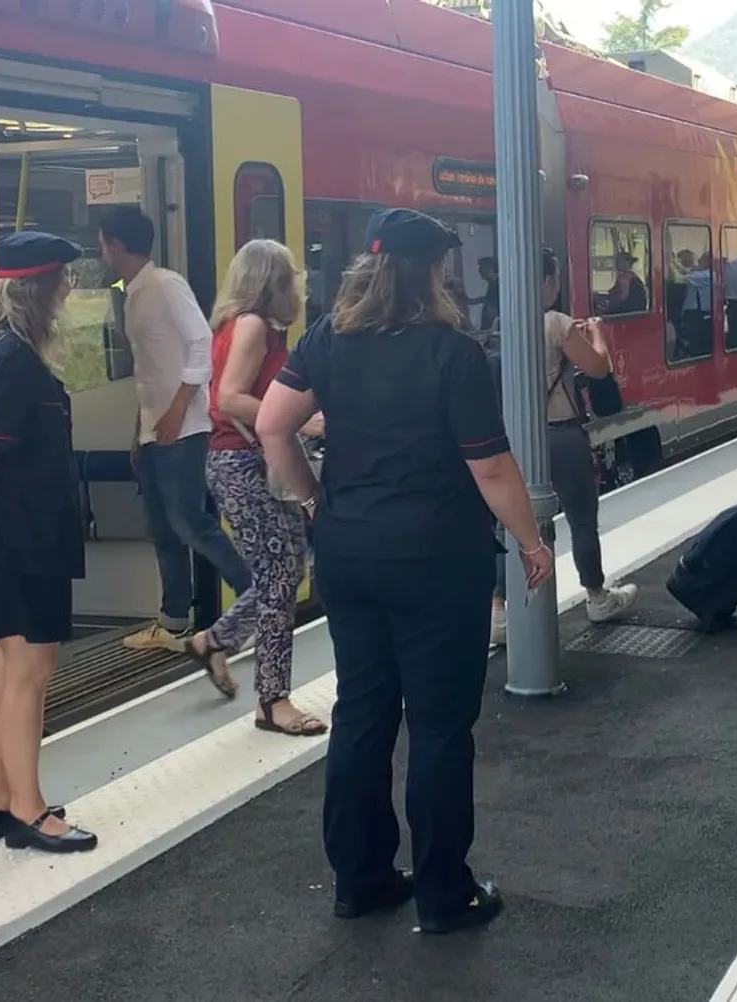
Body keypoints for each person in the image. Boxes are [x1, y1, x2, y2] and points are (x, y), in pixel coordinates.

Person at [256, 208, 553, 933]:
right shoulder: (452, 353)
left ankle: (359, 881)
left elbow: (271, 424)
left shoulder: (327, 339)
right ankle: (446, 894)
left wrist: (313, 499)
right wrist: (531, 541)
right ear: (432, 272)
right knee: (440, 725)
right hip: (436, 558)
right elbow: (487, 463)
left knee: (362, 713)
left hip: (350, 553)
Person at [0, 231, 97, 853]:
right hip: (21, 540)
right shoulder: (15, 361)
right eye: (64, 282)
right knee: (29, 670)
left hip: (0, 539)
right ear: (42, 288)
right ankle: (30, 811)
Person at [179, 239, 326, 732]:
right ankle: (272, 700)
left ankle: (215, 640)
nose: (298, 285)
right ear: (273, 282)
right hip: (244, 463)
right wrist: (298, 422)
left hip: (242, 459)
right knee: (281, 578)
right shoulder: (253, 326)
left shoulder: (234, 324)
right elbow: (230, 398)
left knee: (284, 568)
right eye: (291, 277)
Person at [98, 206, 253, 656]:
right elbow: (149, 372)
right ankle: (174, 618)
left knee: (190, 523)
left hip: (183, 430)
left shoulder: (166, 286)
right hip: (154, 431)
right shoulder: (134, 292)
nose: (103, 251)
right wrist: (139, 432)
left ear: (116, 244)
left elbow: (200, 342)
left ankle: (255, 604)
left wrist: (177, 408)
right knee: (163, 528)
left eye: (105, 242)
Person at [490, 247, 639, 647]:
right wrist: (596, 334)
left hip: (515, 439)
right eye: (554, 278)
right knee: (580, 517)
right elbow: (597, 368)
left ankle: (500, 612)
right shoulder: (556, 323)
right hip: (561, 434)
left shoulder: (504, 322)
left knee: (510, 522)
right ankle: (596, 596)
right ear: (545, 282)